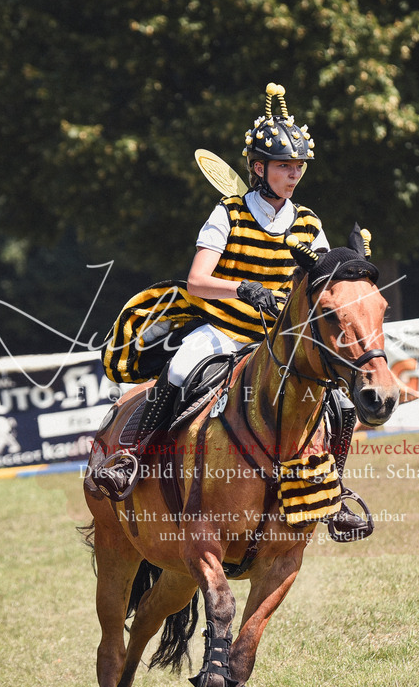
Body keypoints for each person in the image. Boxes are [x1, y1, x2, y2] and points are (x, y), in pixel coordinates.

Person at [96, 82, 339, 495]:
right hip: (223, 332)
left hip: (280, 339)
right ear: (259, 169)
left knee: (341, 400)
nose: (294, 174)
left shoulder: (309, 223)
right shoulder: (228, 213)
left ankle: (338, 487)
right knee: (177, 367)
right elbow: (197, 281)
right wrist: (243, 288)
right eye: (284, 166)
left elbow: (325, 281)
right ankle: (133, 458)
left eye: (299, 166)